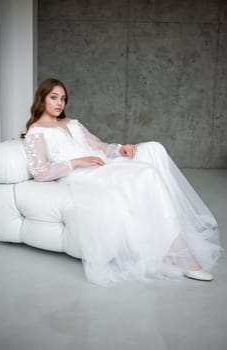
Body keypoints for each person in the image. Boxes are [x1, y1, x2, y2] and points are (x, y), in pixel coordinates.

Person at [23, 78, 221, 286]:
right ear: (41, 98)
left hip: (102, 163)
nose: (59, 103)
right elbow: (40, 172)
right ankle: (181, 254)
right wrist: (77, 162)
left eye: (63, 98)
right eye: (53, 97)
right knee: (146, 174)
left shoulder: (72, 123)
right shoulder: (36, 131)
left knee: (154, 148)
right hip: (85, 175)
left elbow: (98, 146)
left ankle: (167, 231)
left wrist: (119, 150)